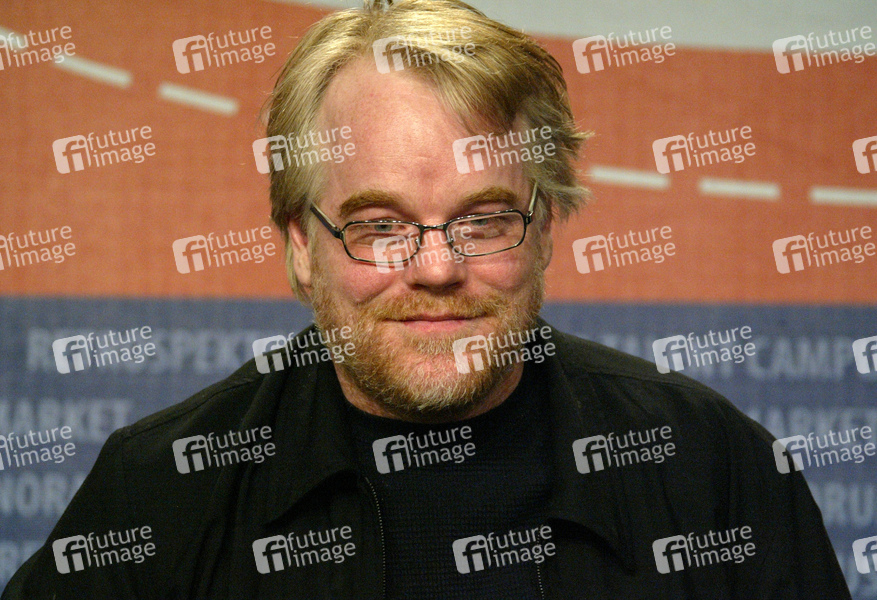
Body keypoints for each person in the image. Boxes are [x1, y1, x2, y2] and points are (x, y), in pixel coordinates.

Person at [3, 1, 852, 598]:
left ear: (545, 228)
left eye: (483, 220)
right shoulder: (158, 495)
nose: (437, 268)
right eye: (378, 226)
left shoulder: (710, 469)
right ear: (300, 245)